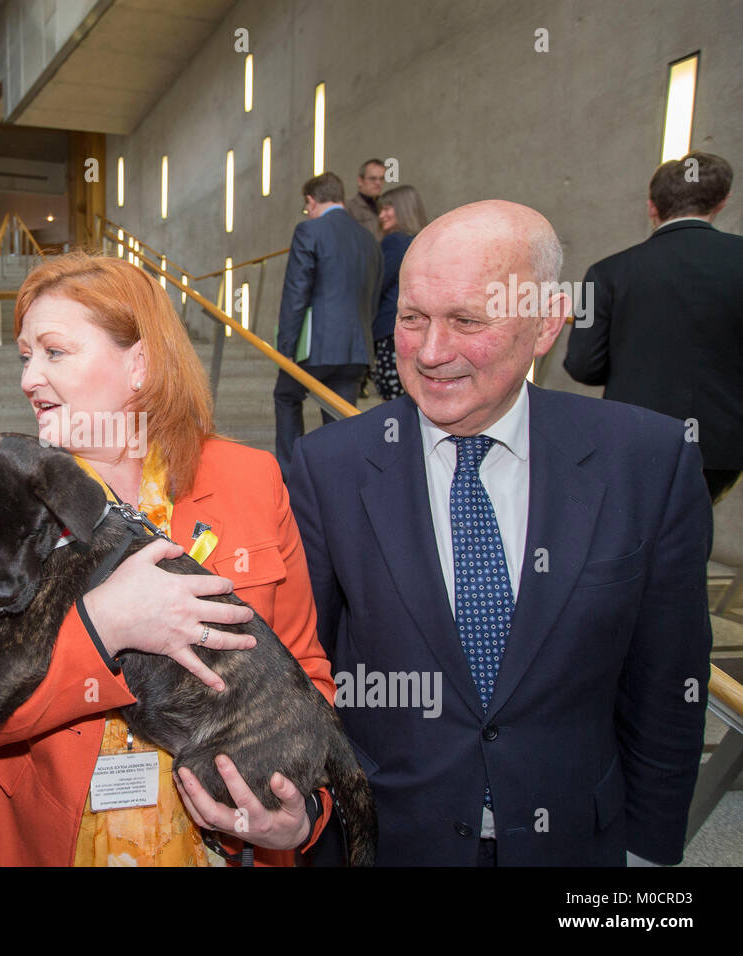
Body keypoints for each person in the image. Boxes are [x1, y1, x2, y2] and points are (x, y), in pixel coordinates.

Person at [286, 200, 712, 866]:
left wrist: (650, 853)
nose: (430, 353)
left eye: (466, 321)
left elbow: (667, 683)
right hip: (389, 843)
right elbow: (302, 676)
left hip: (576, 843)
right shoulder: (329, 466)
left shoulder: (647, 461)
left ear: (546, 325)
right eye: (412, 318)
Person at [0, 253, 338, 866]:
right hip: (54, 845)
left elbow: (305, 672)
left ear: (140, 363)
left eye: (54, 352)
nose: (27, 379)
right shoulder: (4, 495)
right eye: (24, 356)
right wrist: (102, 629)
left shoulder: (251, 478)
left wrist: (299, 815)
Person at [564, 151, 743, 503]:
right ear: (722, 201)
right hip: (727, 438)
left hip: (636, 431)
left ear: (651, 207)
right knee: (694, 526)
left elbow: (581, 364)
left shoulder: (603, 272)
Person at [273, 172, 382, 474]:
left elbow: (297, 293)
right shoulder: (368, 239)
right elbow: (373, 298)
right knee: (339, 417)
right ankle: (337, 479)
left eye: (306, 205)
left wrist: (285, 349)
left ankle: (292, 473)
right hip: (355, 349)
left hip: (315, 348)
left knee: (286, 395)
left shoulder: (309, 230)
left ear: (311, 199)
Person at [370, 185, 429, 401]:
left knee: (393, 397)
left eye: (387, 209)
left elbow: (378, 284)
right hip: (419, 329)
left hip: (391, 331)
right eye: (381, 209)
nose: (381, 215)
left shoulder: (395, 241)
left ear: (403, 210)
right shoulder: (422, 241)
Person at [345, 159, 386, 241]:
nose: (378, 183)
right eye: (373, 178)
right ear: (360, 181)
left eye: (381, 178)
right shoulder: (349, 208)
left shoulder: (386, 208)